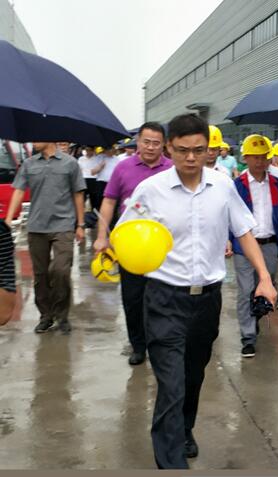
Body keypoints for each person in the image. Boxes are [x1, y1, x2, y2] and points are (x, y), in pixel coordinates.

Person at [118, 114, 276, 469]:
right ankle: (171, 461)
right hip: (164, 298)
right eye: (182, 150)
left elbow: (244, 231)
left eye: (199, 150)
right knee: (171, 385)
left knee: (193, 375)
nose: (191, 158)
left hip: (207, 299)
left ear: (210, 149)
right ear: (169, 148)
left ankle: (184, 428)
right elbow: (126, 233)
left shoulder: (222, 186)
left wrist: (264, 277)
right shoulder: (151, 190)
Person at [93, 122, 172, 366]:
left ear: (164, 145)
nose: (150, 147)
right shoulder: (123, 168)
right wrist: (102, 236)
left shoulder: (171, 169)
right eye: (146, 142)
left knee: (163, 298)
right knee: (133, 298)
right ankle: (138, 345)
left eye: (156, 143)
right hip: (130, 245)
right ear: (138, 142)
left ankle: (160, 343)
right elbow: (109, 202)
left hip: (162, 246)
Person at [5, 141, 86, 334]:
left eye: (37, 139)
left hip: (63, 225)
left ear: (49, 138)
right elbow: (18, 190)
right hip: (37, 226)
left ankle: (62, 315)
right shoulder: (29, 164)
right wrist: (8, 218)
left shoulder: (70, 163)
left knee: (61, 270)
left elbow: (78, 194)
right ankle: (46, 316)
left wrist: (80, 224)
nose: (33, 143)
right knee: (40, 275)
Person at [231, 134, 278, 358]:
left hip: (269, 244)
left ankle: (256, 315)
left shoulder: (275, 183)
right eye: (255, 157)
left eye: (263, 157)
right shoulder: (238, 185)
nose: (260, 161)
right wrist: (227, 241)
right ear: (246, 158)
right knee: (245, 291)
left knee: (266, 287)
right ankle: (248, 337)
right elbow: (229, 215)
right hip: (243, 246)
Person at [93, 144, 119, 211]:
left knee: (111, 201)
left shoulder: (117, 159)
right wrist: (100, 166)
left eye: (113, 149)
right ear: (105, 150)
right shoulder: (99, 157)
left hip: (112, 183)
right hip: (101, 182)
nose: (112, 151)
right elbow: (93, 172)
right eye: (109, 149)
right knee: (99, 201)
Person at [78, 146, 101, 214]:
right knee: (82, 198)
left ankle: (94, 214)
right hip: (84, 179)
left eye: (90, 150)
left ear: (93, 150)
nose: (88, 152)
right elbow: (79, 169)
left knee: (94, 199)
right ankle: (80, 213)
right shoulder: (81, 158)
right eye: (87, 150)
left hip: (94, 179)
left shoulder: (97, 158)